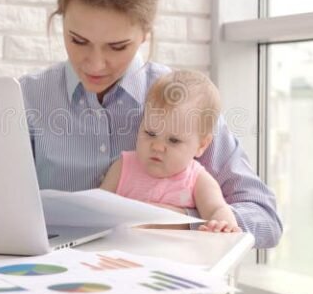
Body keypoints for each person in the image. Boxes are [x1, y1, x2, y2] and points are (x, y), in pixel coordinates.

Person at [19, 0, 282, 249]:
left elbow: (266, 219)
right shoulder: (26, 98)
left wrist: (182, 220)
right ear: (61, 20)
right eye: (78, 40)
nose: (95, 64)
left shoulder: (184, 101)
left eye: (117, 47)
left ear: (145, 33)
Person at [100, 70, 240, 233]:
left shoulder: (196, 180)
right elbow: (97, 206)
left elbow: (217, 209)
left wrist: (223, 225)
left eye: (173, 140)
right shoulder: (123, 167)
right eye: (150, 133)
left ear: (201, 145)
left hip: (179, 249)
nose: (157, 146)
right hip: (122, 248)